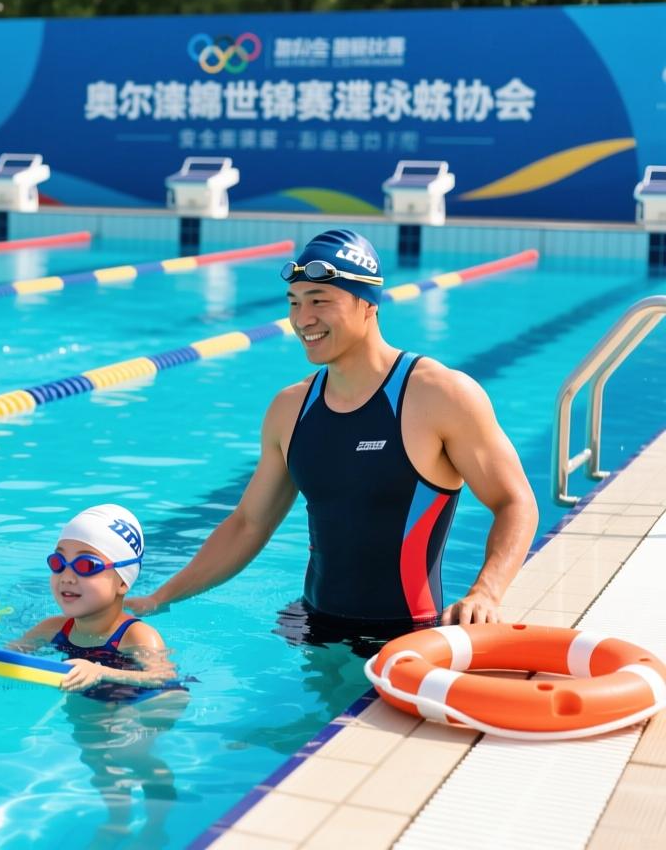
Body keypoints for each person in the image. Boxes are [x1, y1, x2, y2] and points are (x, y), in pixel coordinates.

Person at [127, 228, 539, 651]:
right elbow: (249, 524)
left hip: (407, 635)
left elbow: (515, 502)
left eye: (320, 301)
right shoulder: (290, 408)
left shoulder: (440, 395)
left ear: (368, 304)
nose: (302, 319)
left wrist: (486, 592)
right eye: (294, 302)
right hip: (312, 627)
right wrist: (160, 598)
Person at [12, 504, 187, 847]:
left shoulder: (137, 635)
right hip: (93, 692)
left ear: (122, 581)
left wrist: (101, 670)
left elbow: (162, 677)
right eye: (58, 562)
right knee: (94, 756)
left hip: (147, 699)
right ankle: (118, 821)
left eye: (86, 566)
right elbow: (6, 656)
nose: (66, 576)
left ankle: (156, 823)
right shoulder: (52, 628)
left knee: (128, 754)